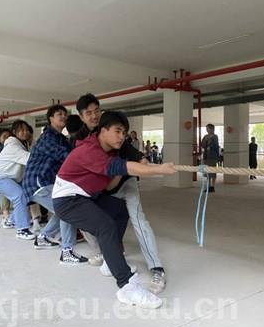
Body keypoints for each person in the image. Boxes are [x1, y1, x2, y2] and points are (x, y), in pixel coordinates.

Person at [52, 111, 177, 308]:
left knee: (119, 209)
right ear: (103, 131)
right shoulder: (90, 151)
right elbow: (128, 168)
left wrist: (133, 166)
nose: (122, 136)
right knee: (105, 226)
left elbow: (110, 186)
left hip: (86, 196)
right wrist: (159, 169)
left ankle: (110, 262)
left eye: (124, 132)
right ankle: (127, 286)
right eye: (117, 131)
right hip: (67, 201)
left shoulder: (109, 150)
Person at [72, 94, 167, 294]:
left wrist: (142, 160)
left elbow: (129, 149)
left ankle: (156, 268)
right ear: (81, 116)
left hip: (125, 181)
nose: (94, 116)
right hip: (101, 187)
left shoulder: (112, 128)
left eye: (96, 110)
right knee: (89, 219)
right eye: (88, 113)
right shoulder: (79, 140)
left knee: (138, 219)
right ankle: (107, 252)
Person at [23, 105, 88, 264]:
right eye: (59, 114)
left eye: (65, 114)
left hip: (46, 182)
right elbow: (67, 156)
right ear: (50, 118)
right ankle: (67, 251)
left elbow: (72, 152)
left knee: (62, 210)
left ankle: (43, 238)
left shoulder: (60, 137)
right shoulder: (48, 137)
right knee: (66, 208)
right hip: (38, 183)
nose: (64, 116)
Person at [0, 120, 34, 239]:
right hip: (0, 177)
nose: (25, 132)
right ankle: (22, 230)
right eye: (21, 130)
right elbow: (29, 159)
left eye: (26, 130)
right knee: (19, 196)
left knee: (25, 195)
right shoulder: (13, 146)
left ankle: (11, 221)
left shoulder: (21, 144)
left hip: (9, 177)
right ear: (14, 132)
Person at [201, 124, 219, 192]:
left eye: (207, 128)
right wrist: (205, 142)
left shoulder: (215, 136)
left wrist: (210, 147)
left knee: (213, 172)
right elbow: (202, 144)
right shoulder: (205, 136)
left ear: (212, 129)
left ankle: (212, 186)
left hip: (212, 156)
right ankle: (208, 186)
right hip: (206, 156)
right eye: (206, 128)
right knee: (207, 172)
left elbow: (216, 146)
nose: (206, 130)